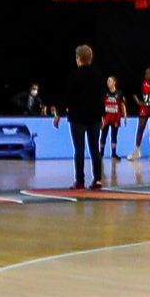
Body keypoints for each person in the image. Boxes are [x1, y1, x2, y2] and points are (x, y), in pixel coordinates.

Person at [55, 44, 106, 191]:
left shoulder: (73, 75)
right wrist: (102, 115)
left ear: (78, 58)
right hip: (95, 116)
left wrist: (59, 113)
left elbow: (67, 98)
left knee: (79, 149)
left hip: (77, 117)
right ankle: (97, 180)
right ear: (91, 58)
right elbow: (101, 97)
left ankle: (80, 181)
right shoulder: (99, 75)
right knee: (94, 149)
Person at [128, 67, 150, 161]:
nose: (146, 75)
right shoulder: (142, 83)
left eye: (148, 73)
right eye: (145, 73)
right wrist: (138, 102)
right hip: (145, 109)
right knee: (140, 128)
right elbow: (133, 93)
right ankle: (137, 151)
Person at [99, 75, 126, 160]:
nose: (108, 83)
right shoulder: (104, 93)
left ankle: (114, 154)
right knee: (103, 135)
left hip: (115, 118)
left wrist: (125, 116)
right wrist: (101, 116)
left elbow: (122, 105)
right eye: (107, 81)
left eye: (109, 81)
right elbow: (101, 105)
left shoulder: (119, 93)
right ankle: (101, 153)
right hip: (106, 117)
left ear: (114, 82)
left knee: (114, 135)